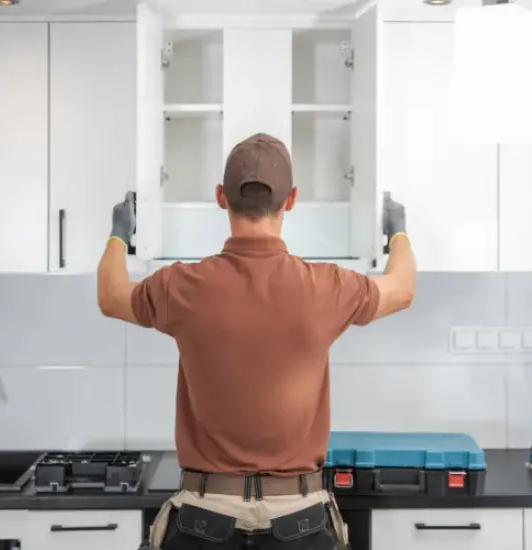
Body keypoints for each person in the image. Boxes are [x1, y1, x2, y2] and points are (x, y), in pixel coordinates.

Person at [97, 132, 416, 550]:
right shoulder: (326, 287)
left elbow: (111, 296)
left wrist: (120, 232)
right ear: (292, 199)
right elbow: (402, 288)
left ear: (220, 197)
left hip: (203, 521)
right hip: (299, 521)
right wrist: (398, 233)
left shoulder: (182, 286)